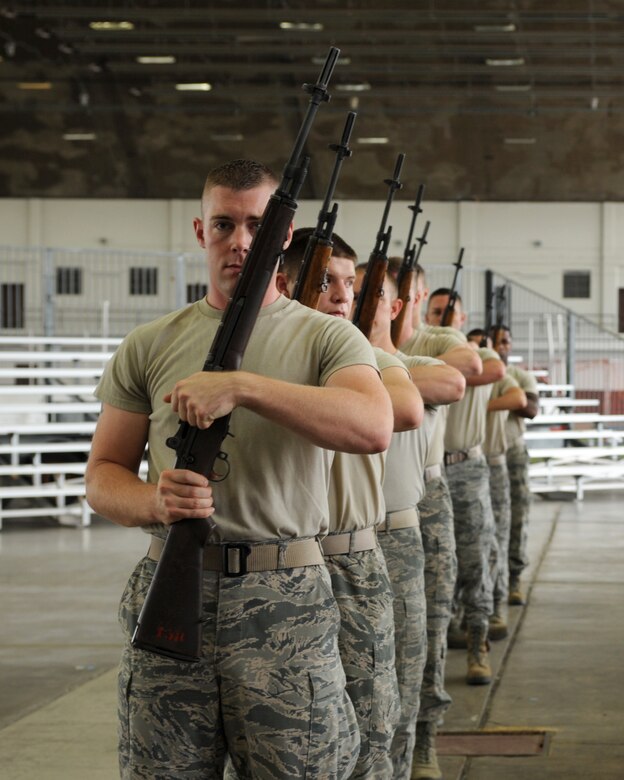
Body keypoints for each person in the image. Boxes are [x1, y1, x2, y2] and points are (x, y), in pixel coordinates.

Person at [85, 159, 395, 780]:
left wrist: (245, 387)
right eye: (224, 224)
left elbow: (373, 424)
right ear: (201, 232)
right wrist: (153, 502)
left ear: (285, 237)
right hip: (172, 592)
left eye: (257, 224)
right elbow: (103, 473)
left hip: (285, 604)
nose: (241, 241)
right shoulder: (149, 343)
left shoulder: (327, 339)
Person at [277, 228, 423, 779]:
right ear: (287, 285)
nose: (342, 296)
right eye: (326, 282)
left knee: (372, 723)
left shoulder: (366, 357)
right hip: (284, 566)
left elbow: (405, 411)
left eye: (350, 284)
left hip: (352, 557)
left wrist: (371, 342)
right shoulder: (270, 359)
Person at [354, 265, 464, 780]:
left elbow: (454, 378)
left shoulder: (413, 364)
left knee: (406, 660)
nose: (352, 301)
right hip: (335, 540)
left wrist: (366, 373)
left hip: (396, 532)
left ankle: (420, 746)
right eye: (349, 291)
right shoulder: (318, 362)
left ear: (397, 307)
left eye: (371, 295)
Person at [389, 260, 478, 780]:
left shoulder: (423, 351)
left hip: (420, 503)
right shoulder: (332, 352)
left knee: (428, 631)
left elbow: (464, 370)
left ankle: (424, 740)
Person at [425, 288, 505, 688]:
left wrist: (432, 367)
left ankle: (479, 644)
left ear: (462, 316)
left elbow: (489, 371)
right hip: (433, 472)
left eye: (449, 312)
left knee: (475, 561)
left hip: (468, 468)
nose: (442, 318)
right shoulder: (418, 347)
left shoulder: (479, 354)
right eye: (436, 311)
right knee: (440, 566)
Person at [467, 328, 527, 640]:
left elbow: (520, 399)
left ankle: (497, 604)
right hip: (468, 466)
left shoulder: (499, 377)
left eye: (484, 346)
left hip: (494, 462)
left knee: (499, 539)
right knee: (474, 546)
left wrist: (481, 407)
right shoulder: (461, 378)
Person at [491, 324, 539, 605]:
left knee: (518, 516)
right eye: (497, 341)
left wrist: (504, 395)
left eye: (506, 341)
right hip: (488, 454)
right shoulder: (480, 373)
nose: (501, 346)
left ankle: (513, 577)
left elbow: (530, 408)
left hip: (513, 453)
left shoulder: (520, 376)